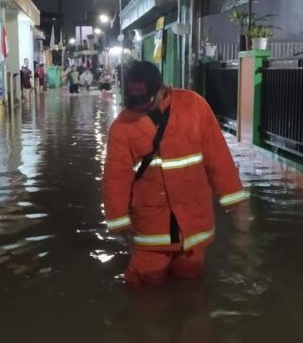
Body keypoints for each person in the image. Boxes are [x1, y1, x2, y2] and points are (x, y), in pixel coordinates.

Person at [102, 61, 249, 285]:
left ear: (162, 89)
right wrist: (120, 223)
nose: (139, 108)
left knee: (191, 282)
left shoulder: (194, 106)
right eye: (134, 102)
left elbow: (217, 157)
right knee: (142, 284)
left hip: (193, 223)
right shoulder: (121, 127)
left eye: (146, 101)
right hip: (151, 226)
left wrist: (236, 204)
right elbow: (116, 178)